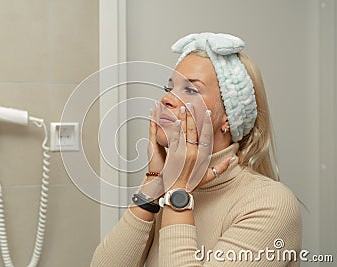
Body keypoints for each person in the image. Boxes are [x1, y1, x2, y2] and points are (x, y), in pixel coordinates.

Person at [90, 32, 302, 266]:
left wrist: (178, 193)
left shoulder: (270, 204)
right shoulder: (168, 185)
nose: (167, 99)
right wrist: (155, 185)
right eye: (168, 88)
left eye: (191, 90)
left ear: (229, 118)